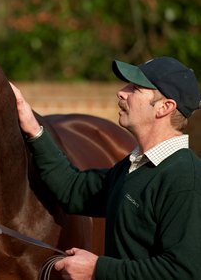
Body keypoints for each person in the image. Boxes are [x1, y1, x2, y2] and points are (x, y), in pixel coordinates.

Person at [11, 56, 201, 279]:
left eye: (136, 88)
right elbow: (73, 190)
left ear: (164, 107)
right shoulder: (133, 167)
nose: (121, 92)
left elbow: (184, 272)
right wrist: (33, 128)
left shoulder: (185, 177)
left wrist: (96, 269)